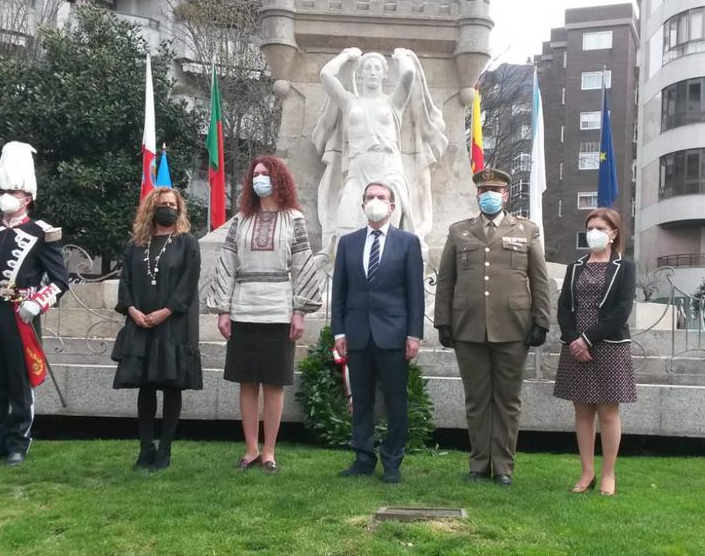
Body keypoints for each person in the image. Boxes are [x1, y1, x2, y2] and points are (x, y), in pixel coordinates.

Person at [434, 167, 551, 485]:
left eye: (495, 191)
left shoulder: (526, 230)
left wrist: (541, 320)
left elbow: (539, 279)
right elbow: (446, 280)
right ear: (476, 195)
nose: (489, 196)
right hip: (468, 327)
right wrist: (443, 320)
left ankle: (503, 467)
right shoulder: (459, 232)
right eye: (484, 191)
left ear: (506, 195)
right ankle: (478, 464)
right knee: (476, 399)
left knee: (508, 400)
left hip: (513, 327)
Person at [207, 155, 323, 474]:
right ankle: (250, 449)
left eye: (265, 174)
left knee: (273, 384)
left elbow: (302, 265)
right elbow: (227, 263)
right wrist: (222, 309)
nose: (260, 179)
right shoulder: (241, 220)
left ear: (278, 178)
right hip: (243, 310)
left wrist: (300, 311)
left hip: (278, 311)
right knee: (246, 382)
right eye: (255, 174)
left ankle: (269, 451)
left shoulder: (294, 219)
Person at [0, 141, 70, 466]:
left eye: (14, 189)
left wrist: (37, 303)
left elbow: (59, 280)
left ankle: (18, 443)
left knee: (19, 378)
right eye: (4, 188)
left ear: (27, 196)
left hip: (20, 314)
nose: (7, 194)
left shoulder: (42, 233)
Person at [332, 181, 425, 484]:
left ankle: (393, 460)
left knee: (396, 401)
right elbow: (340, 291)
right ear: (362, 204)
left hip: (394, 334)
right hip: (357, 333)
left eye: (381, 197)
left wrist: (414, 334)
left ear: (392, 206)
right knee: (361, 400)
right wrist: (338, 333)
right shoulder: (348, 243)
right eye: (370, 197)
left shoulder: (408, 242)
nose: (375, 201)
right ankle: (362, 457)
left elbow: (415, 293)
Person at [313, 46, 447, 253]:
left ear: (385, 74)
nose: (372, 72)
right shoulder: (350, 102)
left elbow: (408, 74)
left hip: (388, 170)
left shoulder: (393, 103)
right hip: (358, 170)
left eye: (377, 68)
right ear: (361, 73)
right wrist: (346, 56)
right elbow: (325, 74)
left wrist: (401, 56)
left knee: (390, 234)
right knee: (345, 226)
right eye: (368, 68)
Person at [112, 186, 203, 472]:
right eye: (163, 204)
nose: (168, 209)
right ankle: (145, 448)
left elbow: (188, 285)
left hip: (173, 324)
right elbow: (124, 281)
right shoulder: (135, 245)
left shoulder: (187, 243)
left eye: (173, 205)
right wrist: (132, 310)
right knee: (146, 387)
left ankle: (165, 449)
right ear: (152, 208)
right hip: (141, 323)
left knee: (170, 386)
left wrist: (165, 311)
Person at [554, 208, 637, 495]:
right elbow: (564, 307)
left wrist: (588, 339)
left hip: (608, 345)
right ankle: (587, 472)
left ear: (613, 233)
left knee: (608, 412)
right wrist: (573, 340)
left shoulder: (625, 268)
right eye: (590, 227)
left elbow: (621, 310)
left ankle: (608, 474)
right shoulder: (575, 267)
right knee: (582, 411)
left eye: (601, 228)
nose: (594, 233)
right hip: (576, 347)